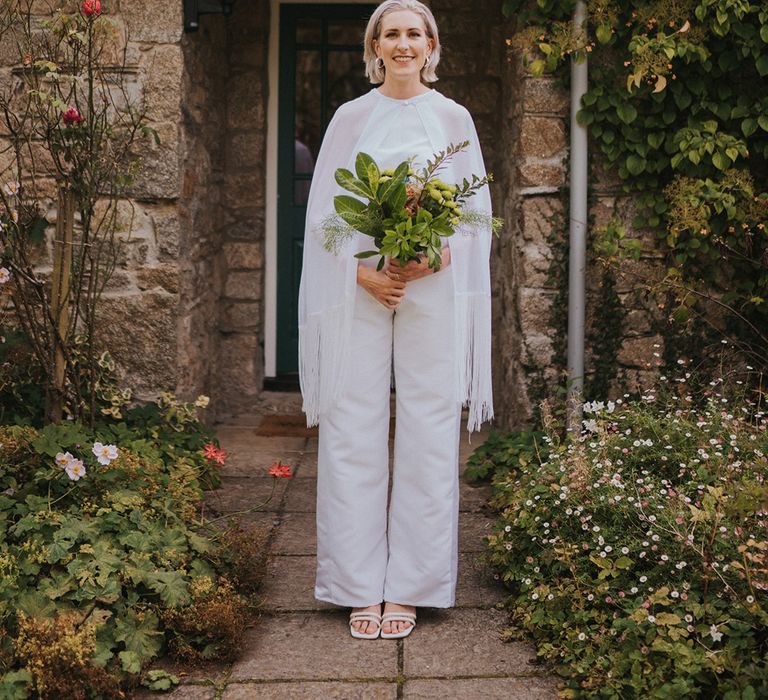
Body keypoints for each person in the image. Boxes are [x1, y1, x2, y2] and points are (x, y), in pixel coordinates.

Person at [298, 0, 493, 640]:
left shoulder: (453, 117)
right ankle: (356, 584)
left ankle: (412, 583)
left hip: (430, 287)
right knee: (353, 420)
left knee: (429, 420)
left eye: (415, 34)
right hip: (361, 286)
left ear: (432, 45)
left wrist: (430, 258)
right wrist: (364, 272)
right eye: (392, 34)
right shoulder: (350, 118)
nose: (404, 44)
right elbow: (324, 217)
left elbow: (475, 215)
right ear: (374, 46)